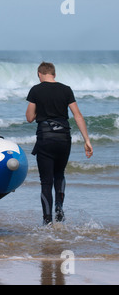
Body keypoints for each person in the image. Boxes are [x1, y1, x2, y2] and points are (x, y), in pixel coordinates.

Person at [26, 62, 93, 225]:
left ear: (39, 74)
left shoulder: (36, 89)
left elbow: (29, 117)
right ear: (54, 74)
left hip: (45, 138)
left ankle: (47, 220)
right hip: (64, 138)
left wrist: (38, 107)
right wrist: (87, 140)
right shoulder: (66, 89)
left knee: (46, 181)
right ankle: (59, 208)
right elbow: (77, 115)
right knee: (59, 174)